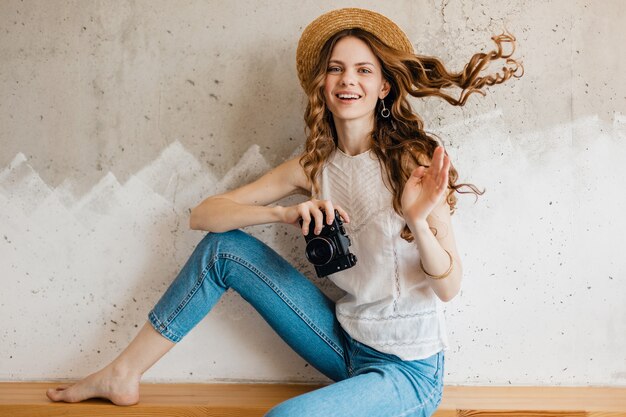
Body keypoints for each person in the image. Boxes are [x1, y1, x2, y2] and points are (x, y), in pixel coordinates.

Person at [46, 7, 522, 416]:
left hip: (410, 371)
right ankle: (122, 374)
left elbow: (450, 287)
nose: (347, 80)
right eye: (336, 69)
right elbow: (204, 216)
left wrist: (418, 221)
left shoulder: (413, 162)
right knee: (223, 248)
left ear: (383, 87)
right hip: (344, 343)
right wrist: (282, 215)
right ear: (323, 83)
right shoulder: (313, 166)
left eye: (362, 70)